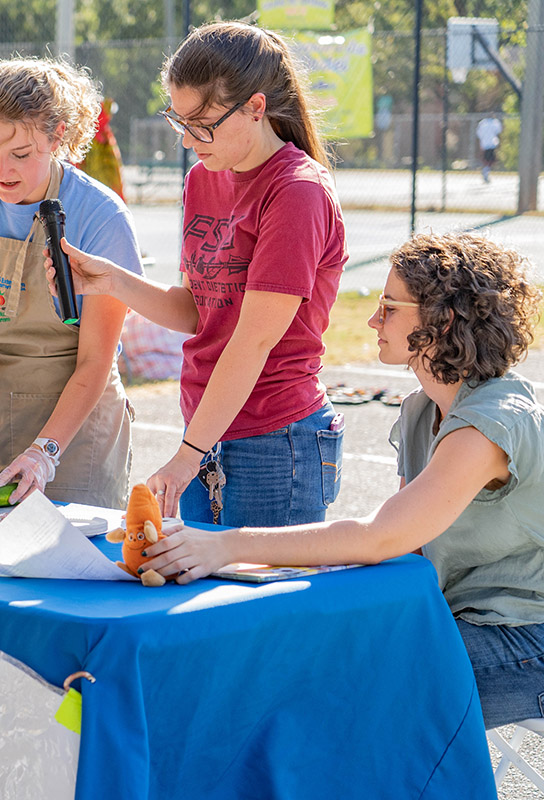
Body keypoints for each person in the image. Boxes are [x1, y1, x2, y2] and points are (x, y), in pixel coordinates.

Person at [145, 232, 544, 730]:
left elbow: (380, 537)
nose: (375, 320)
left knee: (336, 687)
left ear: (443, 321)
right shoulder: (423, 408)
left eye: (389, 307)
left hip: (525, 638)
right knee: (299, 651)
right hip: (455, 616)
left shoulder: (490, 423)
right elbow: (405, 552)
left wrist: (222, 546)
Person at [49, 21, 347, 525]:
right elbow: (195, 312)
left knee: (255, 602)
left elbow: (251, 342)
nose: (188, 140)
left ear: (256, 108)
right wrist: (112, 281)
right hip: (209, 429)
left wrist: (188, 455)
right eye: (178, 120)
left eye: (202, 123)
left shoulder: (297, 192)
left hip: (275, 439)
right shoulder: (202, 177)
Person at [0, 58, 142, 509]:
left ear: (57, 136)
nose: (1, 170)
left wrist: (46, 451)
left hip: (76, 431)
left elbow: (97, 360)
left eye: (20, 154)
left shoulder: (102, 216)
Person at [476, 115, 502, 183]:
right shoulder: (492, 123)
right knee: (488, 159)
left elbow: (479, 134)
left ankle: (486, 171)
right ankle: (485, 171)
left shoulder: (484, 123)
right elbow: (499, 132)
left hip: (488, 143)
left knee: (489, 159)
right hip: (490, 143)